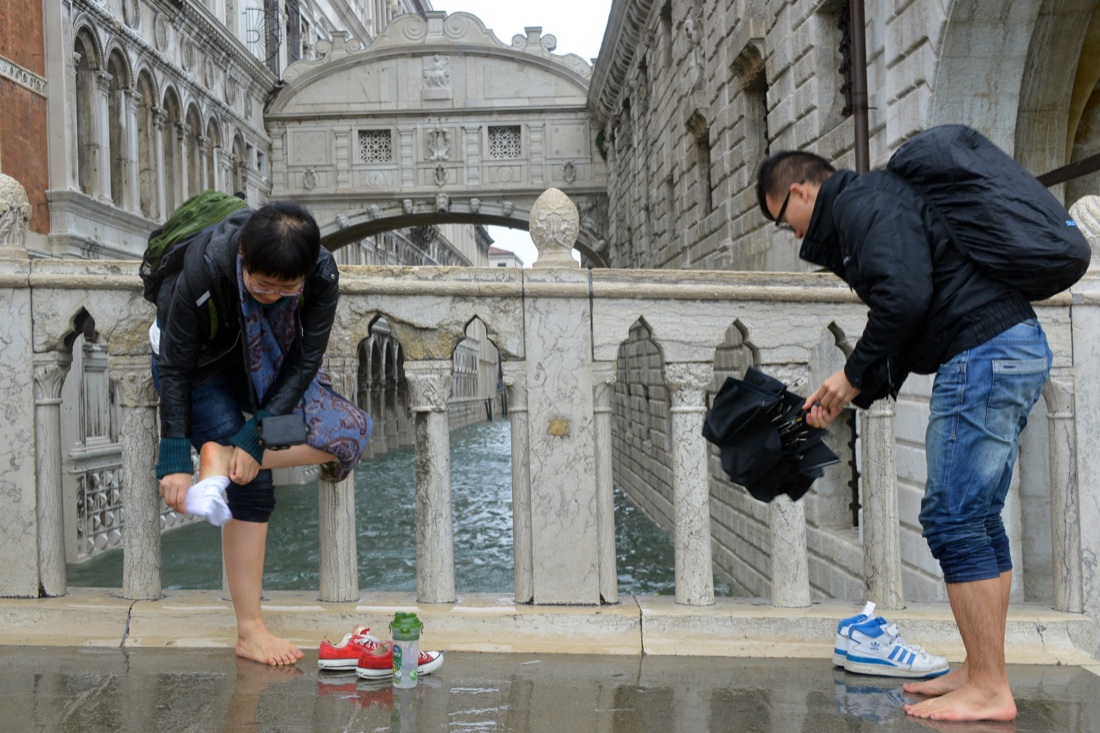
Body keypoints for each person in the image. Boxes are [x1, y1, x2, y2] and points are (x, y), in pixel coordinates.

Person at [756, 151, 1051, 722]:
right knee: (978, 518)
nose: (788, 232)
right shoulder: (875, 204)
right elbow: (913, 316)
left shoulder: (864, 202)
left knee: (954, 519)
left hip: (985, 351)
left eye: (779, 218)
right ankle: (981, 668)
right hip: (1007, 346)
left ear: (798, 192)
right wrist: (851, 392)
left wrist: (849, 375)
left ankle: (990, 687)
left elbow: (905, 297)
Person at [152, 200, 372, 666]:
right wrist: (172, 454)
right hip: (201, 366)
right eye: (261, 284)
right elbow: (174, 364)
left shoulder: (323, 275)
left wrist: (255, 438)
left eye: (285, 287)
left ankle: (221, 454)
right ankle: (250, 630)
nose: (272, 295)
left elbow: (304, 362)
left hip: (271, 364)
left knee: (352, 429)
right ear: (243, 258)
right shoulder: (207, 265)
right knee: (252, 486)